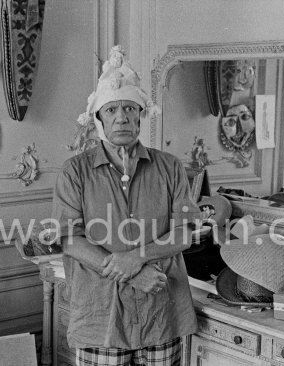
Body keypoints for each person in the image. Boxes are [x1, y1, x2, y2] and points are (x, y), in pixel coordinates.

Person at [52, 45, 202, 366]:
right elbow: (68, 238)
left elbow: (184, 233)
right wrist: (133, 274)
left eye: (130, 109)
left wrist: (138, 257)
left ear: (141, 115)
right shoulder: (75, 171)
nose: (121, 117)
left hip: (161, 313)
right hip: (100, 315)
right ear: (98, 119)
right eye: (112, 110)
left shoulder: (169, 167)